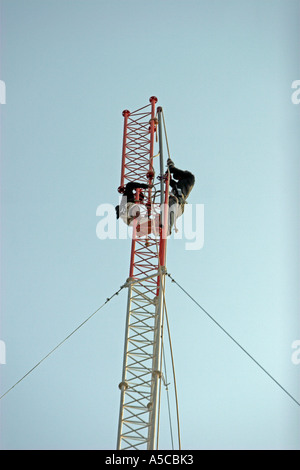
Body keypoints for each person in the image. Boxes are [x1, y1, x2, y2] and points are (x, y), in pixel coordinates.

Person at [166, 158, 195, 234]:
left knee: (171, 205)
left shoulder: (190, 178)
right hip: (177, 202)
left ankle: (168, 227)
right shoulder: (179, 184)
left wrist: (170, 165)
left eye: (178, 177)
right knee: (166, 207)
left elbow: (174, 170)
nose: (178, 179)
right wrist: (167, 178)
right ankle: (164, 223)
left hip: (178, 201)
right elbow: (172, 183)